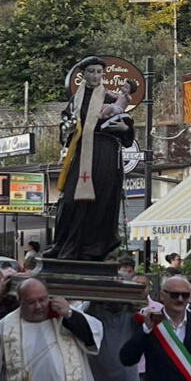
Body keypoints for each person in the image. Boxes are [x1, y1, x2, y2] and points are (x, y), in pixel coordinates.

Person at [46, 56, 135, 261]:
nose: (95, 76)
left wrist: (124, 129)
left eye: (99, 72)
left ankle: (94, 249)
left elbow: (127, 130)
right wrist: (66, 129)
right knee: (69, 201)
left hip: (105, 153)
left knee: (101, 201)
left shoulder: (111, 98)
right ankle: (62, 244)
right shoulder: (74, 101)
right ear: (82, 75)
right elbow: (65, 128)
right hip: (81, 152)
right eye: (91, 71)